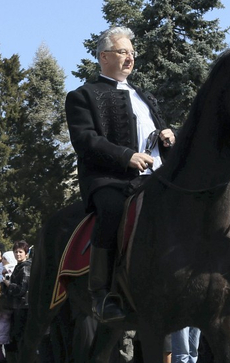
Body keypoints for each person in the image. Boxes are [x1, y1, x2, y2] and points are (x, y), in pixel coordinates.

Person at [66, 26, 175, 323]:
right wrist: (126, 157)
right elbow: (85, 140)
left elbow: (156, 134)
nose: (130, 58)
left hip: (154, 176)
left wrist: (167, 136)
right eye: (123, 52)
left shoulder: (145, 97)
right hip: (108, 179)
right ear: (104, 56)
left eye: (132, 53)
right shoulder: (82, 95)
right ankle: (101, 294)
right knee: (113, 210)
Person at [3, 240, 32, 363]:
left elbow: (21, 289)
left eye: (20, 252)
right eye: (16, 252)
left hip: (23, 307)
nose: (18, 254)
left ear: (26, 253)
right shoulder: (18, 266)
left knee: (21, 340)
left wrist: (9, 285)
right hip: (17, 307)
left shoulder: (25, 266)